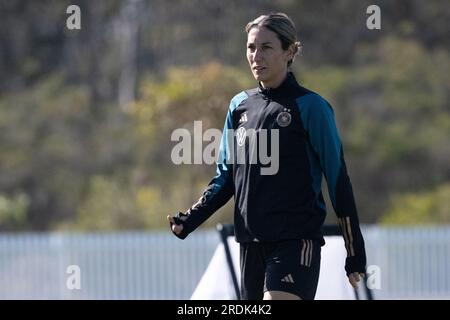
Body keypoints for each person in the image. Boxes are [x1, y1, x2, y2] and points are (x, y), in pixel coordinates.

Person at [167, 12, 366, 300]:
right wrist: (191, 219)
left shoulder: (311, 107)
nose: (256, 56)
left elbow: (338, 181)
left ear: (289, 51)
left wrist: (354, 251)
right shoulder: (239, 105)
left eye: (266, 47)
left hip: (296, 240)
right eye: (251, 47)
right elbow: (226, 178)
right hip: (250, 241)